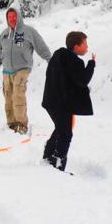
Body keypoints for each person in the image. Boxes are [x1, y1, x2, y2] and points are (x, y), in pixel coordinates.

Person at [41, 31, 95, 171]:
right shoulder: (74, 61)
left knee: (61, 129)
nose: (87, 48)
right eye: (85, 44)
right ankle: (58, 165)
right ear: (76, 47)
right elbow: (83, 80)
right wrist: (91, 64)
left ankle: (48, 158)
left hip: (51, 102)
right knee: (66, 133)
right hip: (61, 105)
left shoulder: (58, 56)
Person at [0, 7, 52, 134]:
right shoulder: (3, 34)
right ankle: (12, 123)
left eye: (14, 16)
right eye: (10, 17)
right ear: (7, 19)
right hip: (7, 71)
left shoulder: (28, 32)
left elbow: (41, 47)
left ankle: (22, 125)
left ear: (18, 17)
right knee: (8, 98)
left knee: (18, 94)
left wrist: (50, 61)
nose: (12, 19)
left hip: (22, 69)